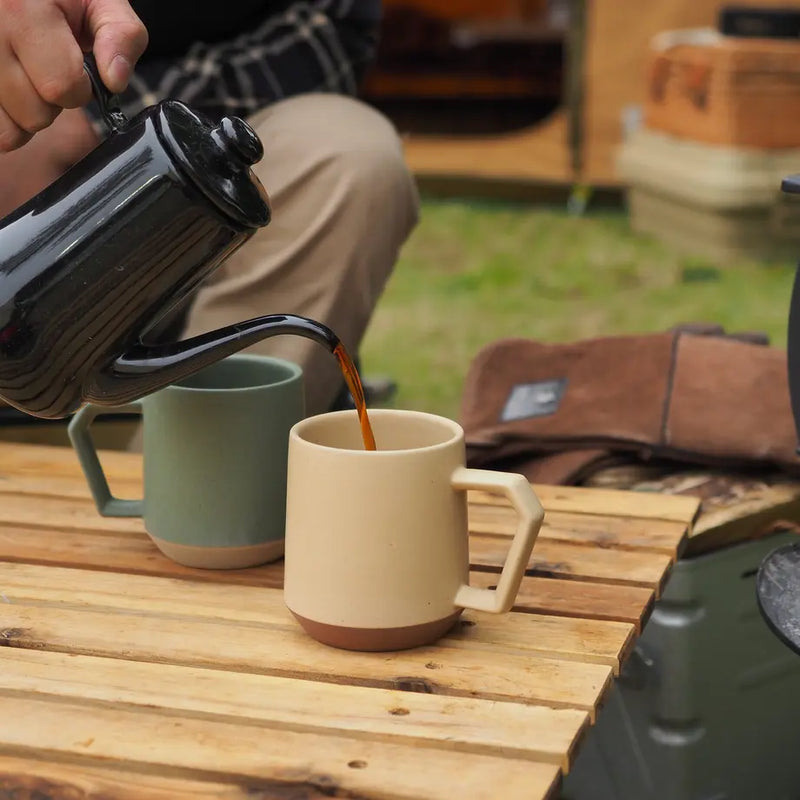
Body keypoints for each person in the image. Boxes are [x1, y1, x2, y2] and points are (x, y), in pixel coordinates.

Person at [0, 0, 419, 417]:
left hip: (205, 155)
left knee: (348, 157)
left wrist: (97, 121)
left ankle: (199, 467)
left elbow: (334, 27)